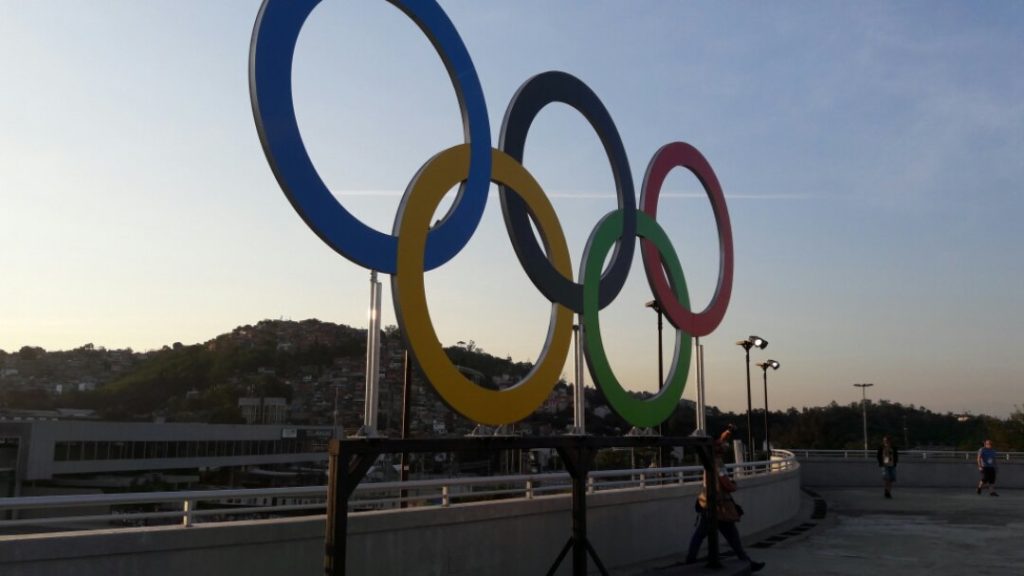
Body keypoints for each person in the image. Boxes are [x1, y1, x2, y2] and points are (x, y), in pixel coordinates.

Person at [685, 425, 765, 573]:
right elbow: (727, 485)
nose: (723, 445)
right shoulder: (717, 462)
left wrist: (727, 433)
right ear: (714, 446)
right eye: (720, 444)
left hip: (707, 503)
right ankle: (746, 561)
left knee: (701, 534)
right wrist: (734, 485)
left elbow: (719, 441)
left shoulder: (709, 457)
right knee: (731, 537)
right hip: (718, 506)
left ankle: (689, 561)